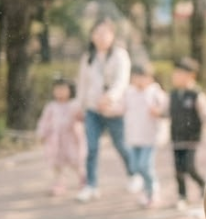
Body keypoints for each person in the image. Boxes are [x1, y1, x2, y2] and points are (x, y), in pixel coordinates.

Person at [76, 17, 135, 203]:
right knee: (91, 148)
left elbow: (122, 81)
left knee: (121, 145)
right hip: (93, 110)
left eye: (105, 33)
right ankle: (90, 185)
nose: (101, 37)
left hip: (113, 109)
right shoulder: (88, 58)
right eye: (97, 33)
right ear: (92, 36)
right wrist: (80, 106)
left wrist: (110, 97)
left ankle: (134, 174)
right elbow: (82, 84)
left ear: (112, 35)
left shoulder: (120, 55)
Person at [168, 57, 206, 210]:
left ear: (190, 75)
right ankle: (182, 195)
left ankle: (204, 185)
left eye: (179, 74)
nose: (175, 77)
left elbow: (205, 110)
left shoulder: (195, 94)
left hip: (191, 137)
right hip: (176, 137)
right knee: (178, 169)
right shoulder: (173, 95)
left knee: (189, 166)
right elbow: (165, 111)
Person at [124, 62, 168, 208]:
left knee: (145, 165)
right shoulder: (129, 92)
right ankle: (146, 191)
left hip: (150, 137)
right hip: (134, 137)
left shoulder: (154, 92)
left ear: (150, 78)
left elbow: (166, 107)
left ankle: (153, 191)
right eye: (136, 77)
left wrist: (158, 111)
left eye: (143, 77)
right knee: (136, 166)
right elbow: (121, 107)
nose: (139, 81)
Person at [36, 77, 84, 196]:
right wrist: (42, 134)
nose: (60, 92)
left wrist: (80, 118)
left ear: (70, 90)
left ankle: (83, 178)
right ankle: (59, 183)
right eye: (57, 89)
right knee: (57, 163)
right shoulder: (51, 106)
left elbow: (82, 118)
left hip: (71, 138)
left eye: (63, 89)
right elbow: (44, 121)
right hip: (55, 140)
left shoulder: (74, 104)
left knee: (75, 161)